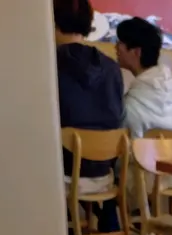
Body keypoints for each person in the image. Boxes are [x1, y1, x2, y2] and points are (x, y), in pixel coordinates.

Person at [54, 0, 123, 191]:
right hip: (103, 174)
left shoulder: (48, 64)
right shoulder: (112, 68)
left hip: (60, 173)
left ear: (53, 23)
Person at [116, 17, 172, 138]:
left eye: (120, 42)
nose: (116, 47)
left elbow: (130, 145)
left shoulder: (131, 105)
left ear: (137, 52)